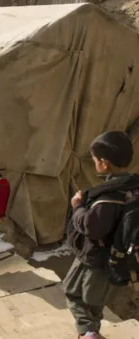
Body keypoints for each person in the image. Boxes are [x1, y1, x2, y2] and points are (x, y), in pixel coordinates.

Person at [65, 131, 138, 339]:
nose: (95, 163)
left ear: (104, 163)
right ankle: (91, 330)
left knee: (74, 294)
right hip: (120, 257)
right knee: (95, 301)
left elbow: (91, 227)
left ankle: (88, 333)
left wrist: (78, 206)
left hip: (96, 259)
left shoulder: (107, 198)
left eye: (95, 159)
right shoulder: (132, 188)